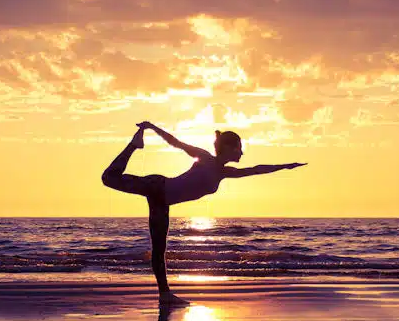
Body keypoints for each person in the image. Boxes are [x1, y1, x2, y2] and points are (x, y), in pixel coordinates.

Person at [101, 122, 307, 304]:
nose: (241, 154)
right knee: (109, 178)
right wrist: (153, 128)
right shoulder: (205, 158)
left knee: (159, 250)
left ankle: (165, 294)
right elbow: (176, 143)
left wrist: (286, 166)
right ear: (229, 148)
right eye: (240, 148)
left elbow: (257, 169)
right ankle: (134, 145)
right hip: (157, 186)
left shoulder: (225, 173)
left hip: (162, 202)